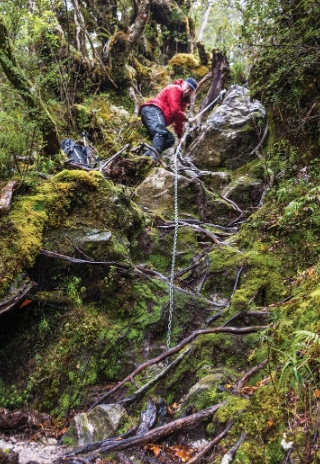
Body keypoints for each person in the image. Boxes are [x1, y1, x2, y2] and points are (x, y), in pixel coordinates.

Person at [140, 77, 197, 162]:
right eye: (187, 86)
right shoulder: (175, 88)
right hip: (152, 110)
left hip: (157, 117)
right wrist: (187, 118)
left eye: (191, 89)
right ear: (183, 83)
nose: (187, 90)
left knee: (170, 139)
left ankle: (147, 155)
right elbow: (175, 111)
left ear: (192, 92)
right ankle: (153, 160)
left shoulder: (183, 102)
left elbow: (178, 120)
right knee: (161, 132)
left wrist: (180, 137)